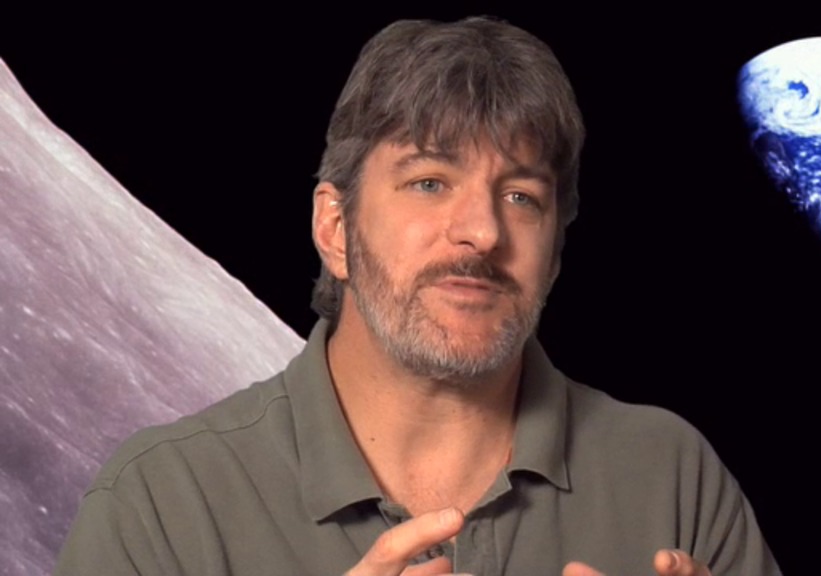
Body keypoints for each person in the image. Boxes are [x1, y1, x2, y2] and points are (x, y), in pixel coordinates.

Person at [55, 17, 781, 576]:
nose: (482, 232)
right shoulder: (161, 503)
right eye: (430, 182)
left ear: (555, 251)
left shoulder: (673, 480)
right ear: (334, 228)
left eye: (522, 196)